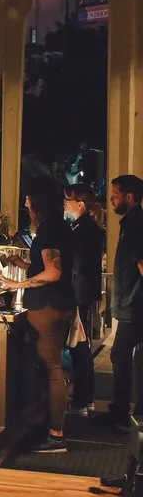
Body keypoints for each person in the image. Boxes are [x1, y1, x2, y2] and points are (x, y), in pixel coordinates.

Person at [0, 185, 75, 453]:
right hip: (62, 302)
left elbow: (53, 272)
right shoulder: (60, 228)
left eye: (29, 202)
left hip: (47, 305)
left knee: (53, 369)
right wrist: (25, 266)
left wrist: (16, 284)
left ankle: (56, 435)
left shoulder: (48, 230)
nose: (26, 207)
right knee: (52, 367)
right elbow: (49, 265)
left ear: (39, 204)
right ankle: (50, 425)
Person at [100, 174, 143, 429]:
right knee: (127, 355)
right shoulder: (132, 222)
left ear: (130, 196)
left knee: (119, 353)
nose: (112, 199)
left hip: (134, 304)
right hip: (132, 302)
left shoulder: (135, 224)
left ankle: (121, 413)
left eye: (115, 194)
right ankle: (128, 410)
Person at [64, 184, 105, 416]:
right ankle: (86, 397)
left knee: (78, 346)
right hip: (86, 293)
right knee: (82, 346)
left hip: (79, 293)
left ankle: (81, 400)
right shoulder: (88, 227)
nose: (64, 203)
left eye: (67, 199)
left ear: (80, 204)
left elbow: (77, 267)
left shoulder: (81, 230)